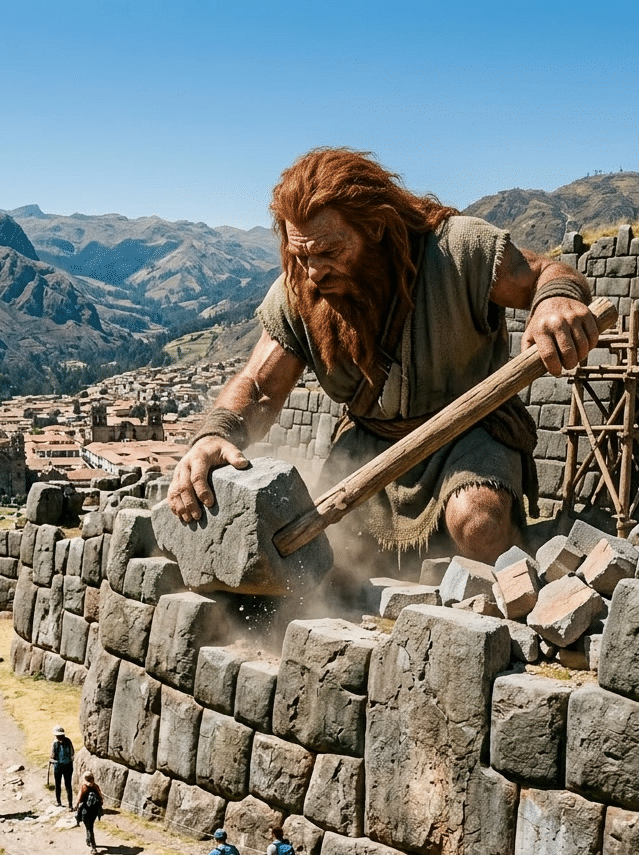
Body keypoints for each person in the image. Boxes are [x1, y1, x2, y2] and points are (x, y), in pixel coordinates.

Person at [168, 148, 598, 568]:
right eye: (302, 255)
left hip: (469, 431)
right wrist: (214, 434)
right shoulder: (298, 292)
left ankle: (523, 571)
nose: (314, 271)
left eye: (329, 252)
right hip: (369, 444)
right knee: (322, 560)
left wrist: (555, 300)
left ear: (375, 228)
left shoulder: (458, 249)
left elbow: (544, 274)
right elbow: (260, 386)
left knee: (478, 524)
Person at [75, 771, 103, 853]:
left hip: (86, 810)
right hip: (94, 811)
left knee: (89, 828)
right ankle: (88, 840)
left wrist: (76, 807)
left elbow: (79, 799)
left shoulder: (83, 787)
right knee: (90, 826)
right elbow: (100, 798)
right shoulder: (96, 786)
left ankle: (93, 847)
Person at [50, 725, 75, 811]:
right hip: (58, 766)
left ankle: (70, 805)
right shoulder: (55, 743)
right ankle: (58, 802)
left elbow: (72, 752)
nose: (58, 737)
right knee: (58, 784)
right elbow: (52, 755)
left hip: (67, 766)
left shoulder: (68, 741)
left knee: (68, 785)